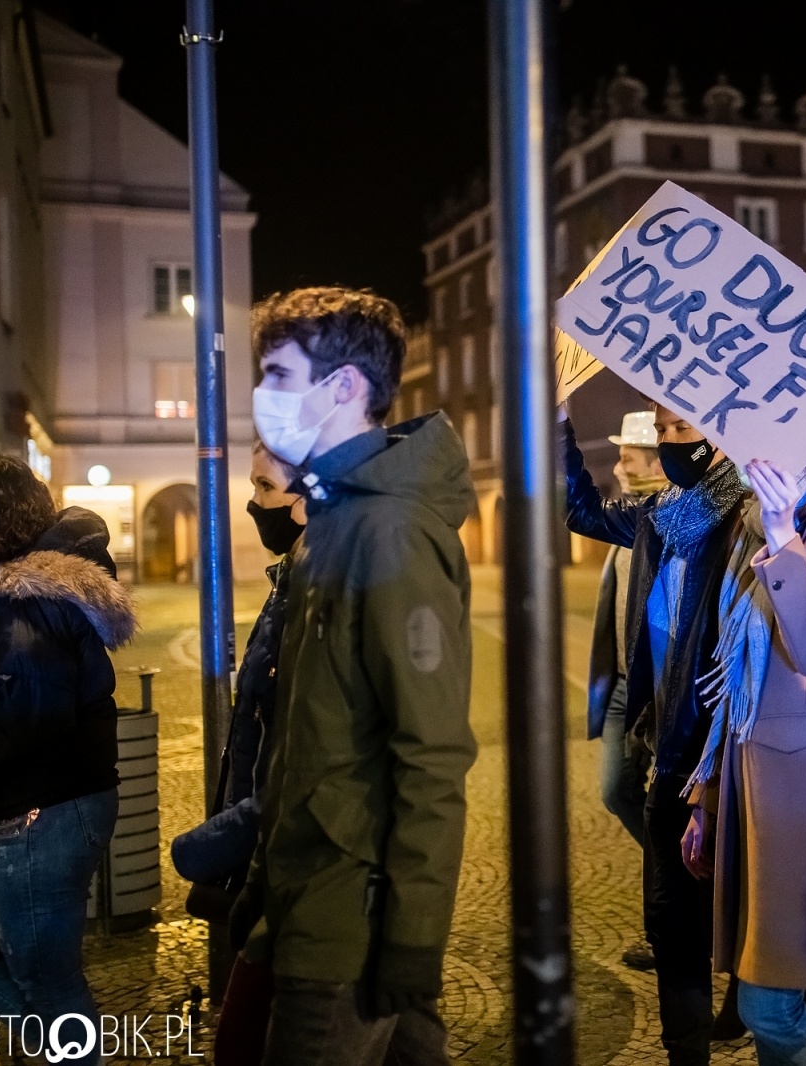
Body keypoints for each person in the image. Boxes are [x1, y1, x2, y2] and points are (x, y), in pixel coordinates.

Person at [229, 287, 478, 1066]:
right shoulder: (333, 518)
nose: (263, 394)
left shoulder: (388, 530)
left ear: (343, 387)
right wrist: (260, 863)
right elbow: (314, 729)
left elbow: (431, 753)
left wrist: (412, 934)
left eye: (278, 374)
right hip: (315, 890)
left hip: (350, 913)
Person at [678, 438, 806, 1066]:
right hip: (753, 783)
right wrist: (706, 798)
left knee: (768, 1008)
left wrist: (783, 535)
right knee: (767, 995)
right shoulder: (748, 523)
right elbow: (735, 678)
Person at [562, 402, 747, 1066]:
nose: (667, 441)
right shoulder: (658, 518)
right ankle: (684, 1053)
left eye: (681, 430)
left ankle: (790, 1014)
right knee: (670, 923)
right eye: (662, 430)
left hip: (726, 761)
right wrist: (556, 424)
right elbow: (578, 509)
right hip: (668, 754)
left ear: (720, 438)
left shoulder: (749, 521)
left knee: (746, 912)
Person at [0, 455, 135, 1066]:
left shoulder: (28, 593)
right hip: (10, 805)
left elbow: (20, 708)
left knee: (46, 982)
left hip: (43, 807)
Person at [170, 441, 307, 1066]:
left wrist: (220, 839)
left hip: (292, 863)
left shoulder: (320, 592)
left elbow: (310, 758)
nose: (252, 504)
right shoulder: (289, 582)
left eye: (264, 487)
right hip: (269, 855)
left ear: (307, 499)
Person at [587, 411, 667, 971]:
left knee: (662, 808)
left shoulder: (670, 522)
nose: (617, 467)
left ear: (654, 463)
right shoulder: (627, 522)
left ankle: (674, 917)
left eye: (626, 457)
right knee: (616, 791)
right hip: (620, 685)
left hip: (655, 692)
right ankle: (681, 881)